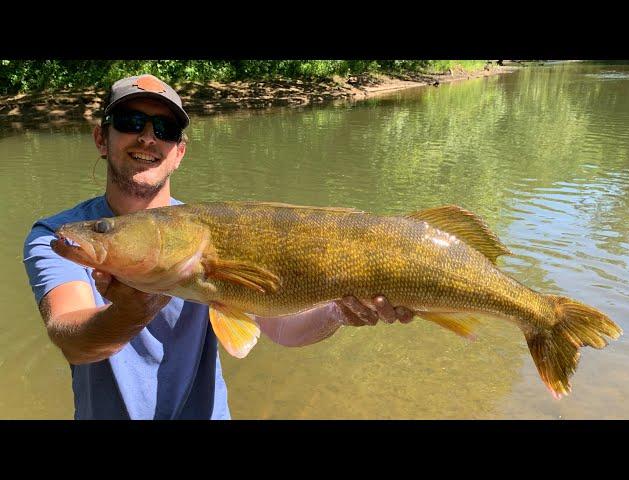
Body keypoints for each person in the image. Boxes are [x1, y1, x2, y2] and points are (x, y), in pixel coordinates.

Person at [23, 74, 414, 420]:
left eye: (165, 129)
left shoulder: (212, 233)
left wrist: (339, 311)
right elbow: (74, 341)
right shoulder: (57, 235)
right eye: (130, 123)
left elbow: (281, 329)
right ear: (100, 139)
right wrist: (130, 312)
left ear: (179, 152)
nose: (147, 137)